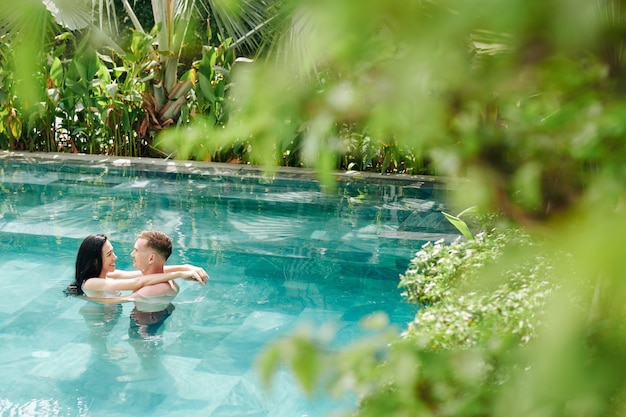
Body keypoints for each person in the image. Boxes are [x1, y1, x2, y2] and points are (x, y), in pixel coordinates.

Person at [64, 233, 207, 299]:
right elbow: (137, 282)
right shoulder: (91, 283)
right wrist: (179, 275)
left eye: (113, 252)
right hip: (99, 321)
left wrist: (186, 267)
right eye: (109, 255)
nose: (115, 257)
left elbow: (143, 275)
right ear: (95, 261)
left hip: (110, 315)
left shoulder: (110, 275)